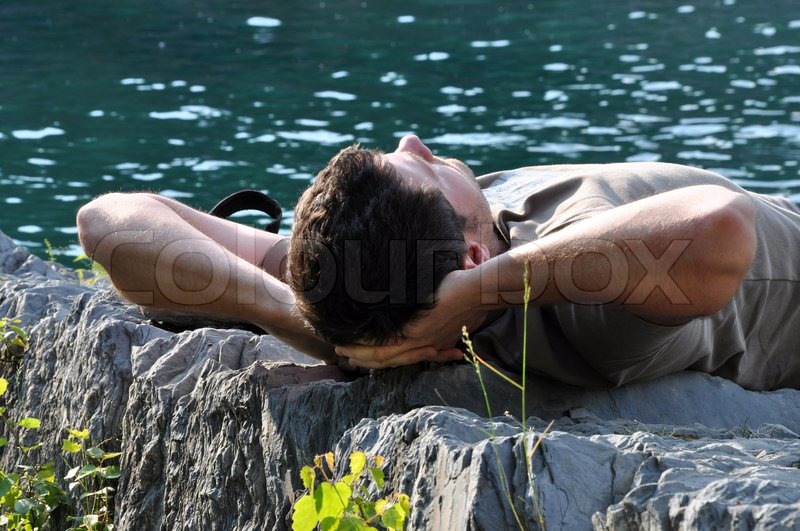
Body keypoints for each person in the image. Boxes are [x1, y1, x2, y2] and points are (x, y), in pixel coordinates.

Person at [77, 135, 800, 391]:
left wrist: (294, 316)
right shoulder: (583, 310)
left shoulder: (373, 287)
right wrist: (472, 294)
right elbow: (720, 231)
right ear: (471, 258)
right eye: (420, 166)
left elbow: (107, 218)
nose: (416, 139)